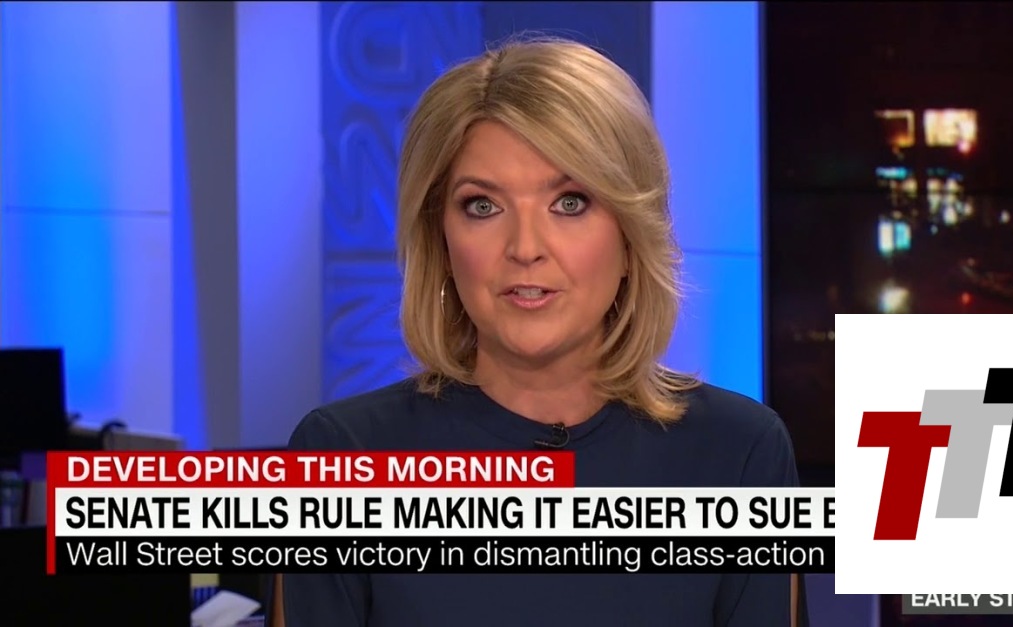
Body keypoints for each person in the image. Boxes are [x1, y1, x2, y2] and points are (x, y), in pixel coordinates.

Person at [274, 35, 803, 626]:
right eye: (482, 206)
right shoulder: (340, 460)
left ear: (632, 238)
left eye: (570, 202)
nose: (525, 248)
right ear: (441, 242)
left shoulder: (740, 455)